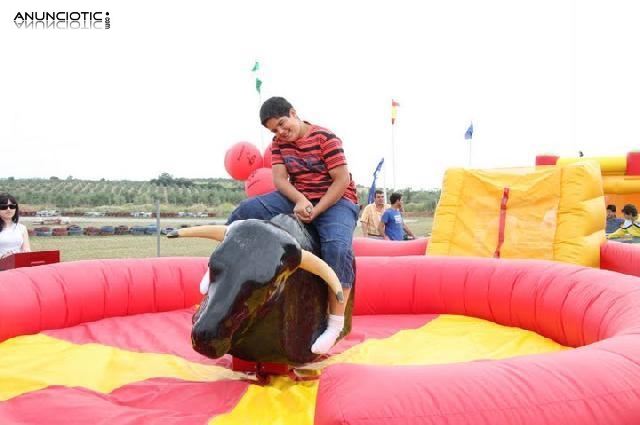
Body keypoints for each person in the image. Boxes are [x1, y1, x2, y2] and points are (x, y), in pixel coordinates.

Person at [224, 96, 359, 354]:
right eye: (275, 130)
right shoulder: (278, 144)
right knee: (244, 210)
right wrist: (300, 200)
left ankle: (335, 324)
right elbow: (279, 180)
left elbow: (341, 181)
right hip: (301, 196)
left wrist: (316, 209)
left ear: (294, 113)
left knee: (337, 248)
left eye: (284, 125)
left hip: (337, 200)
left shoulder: (326, 139)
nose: (281, 133)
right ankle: (219, 270)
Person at [0, 193, 31, 259]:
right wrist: (3, 257)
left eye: (12, 206)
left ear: (15, 208)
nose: (8, 209)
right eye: (3, 207)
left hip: (18, 266)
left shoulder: (22, 228)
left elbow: (27, 250)